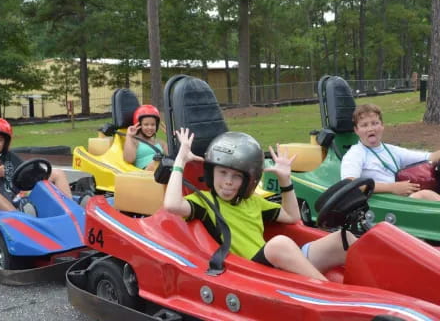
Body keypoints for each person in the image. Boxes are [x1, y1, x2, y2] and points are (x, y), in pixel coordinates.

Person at [164, 128, 356, 281]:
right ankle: (327, 292)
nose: (228, 182)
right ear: (211, 173)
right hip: (255, 271)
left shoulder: (254, 202)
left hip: (279, 263)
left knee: (343, 238)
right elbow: (172, 205)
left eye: (236, 176)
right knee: (278, 244)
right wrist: (180, 161)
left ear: (249, 181)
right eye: (222, 173)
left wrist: (286, 181)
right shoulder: (204, 202)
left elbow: (292, 216)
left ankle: (380, 285)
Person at [0, 117, 73, 212]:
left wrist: (43, 178)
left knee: (57, 173)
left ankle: (71, 212)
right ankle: (18, 218)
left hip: (14, 199)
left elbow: (27, 172)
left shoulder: (9, 156)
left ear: (5, 143)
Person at [341, 103, 440, 201]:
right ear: (356, 130)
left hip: (398, 199)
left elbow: (430, 157)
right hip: (381, 203)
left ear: (382, 126)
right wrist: (392, 188)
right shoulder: (355, 154)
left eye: (375, 123)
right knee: (425, 195)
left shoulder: (391, 150)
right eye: (364, 125)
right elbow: (350, 184)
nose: (371, 129)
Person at [123, 104, 167, 171]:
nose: (150, 127)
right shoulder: (134, 141)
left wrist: (171, 137)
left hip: (161, 172)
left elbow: (175, 156)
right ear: (139, 125)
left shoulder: (160, 143)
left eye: (153, 125)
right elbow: (129, 159)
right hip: (145, 174)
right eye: (146, 124)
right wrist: (129, 136)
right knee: (157, 161)